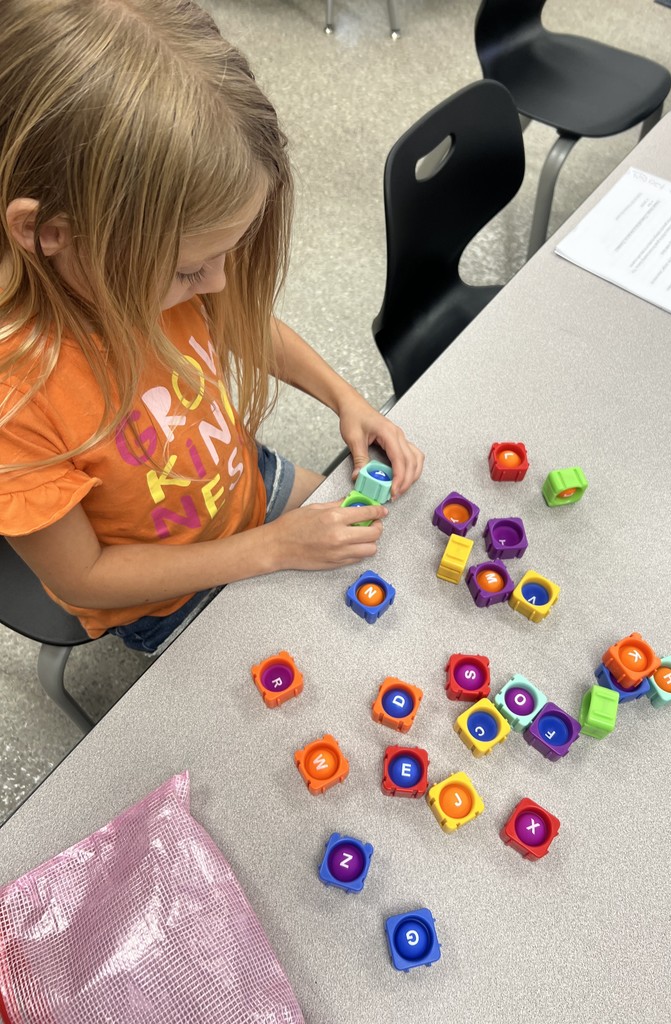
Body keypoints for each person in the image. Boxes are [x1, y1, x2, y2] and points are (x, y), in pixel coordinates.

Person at [0, 0, 424, 655]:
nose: (219, 285)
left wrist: (347, 399)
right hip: (163, 594)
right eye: (191, 271)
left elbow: (241, 324)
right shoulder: (17, 401)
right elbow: (84, 577)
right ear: (46, 233)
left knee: (383, 554)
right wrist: (267, 551)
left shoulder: (131, 260)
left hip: (242, 482)